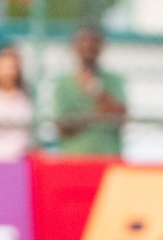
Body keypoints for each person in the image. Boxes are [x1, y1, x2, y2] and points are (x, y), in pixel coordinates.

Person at [52, 24, 126, 155]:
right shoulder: (62, 84)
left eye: (93, 43)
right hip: (74, 161)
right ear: (74, 47)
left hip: (108, 160)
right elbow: (61, 127)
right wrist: (93, 117)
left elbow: (121, 117)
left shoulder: (114, 81)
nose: (88, 47)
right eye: (83, 42)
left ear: (101, 47)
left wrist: (96, 90)